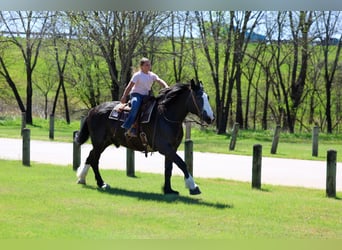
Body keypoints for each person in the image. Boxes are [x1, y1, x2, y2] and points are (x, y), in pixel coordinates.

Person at [120, 57, 169, 137]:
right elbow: (129, 86)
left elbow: (159, 80)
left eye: (149, 64)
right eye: (147, 65)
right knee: (135, 105)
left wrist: (166, 86)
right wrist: (124, 96)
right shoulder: (137, 75)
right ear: (141, 66)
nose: (149, 66)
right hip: (136, 94)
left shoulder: (151, 75)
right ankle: (129, 126)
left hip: (146, 96)